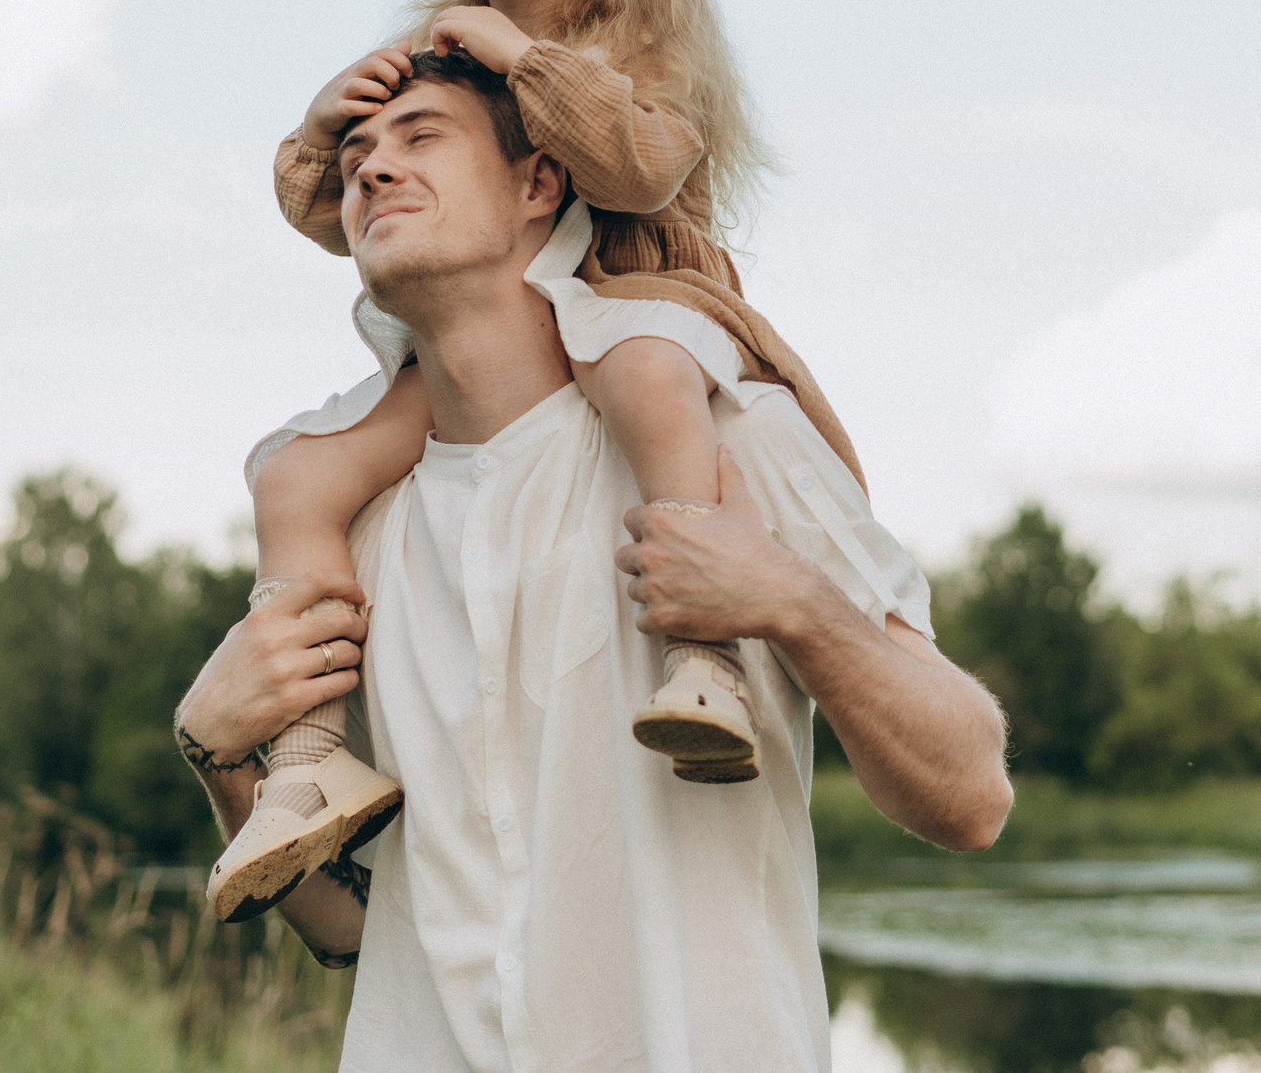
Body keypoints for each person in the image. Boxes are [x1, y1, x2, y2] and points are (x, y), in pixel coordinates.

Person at [176, 52, 1010, 1070]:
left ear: (539, 185)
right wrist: (222, 759)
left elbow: (970, 795)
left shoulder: (728, 442)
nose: (371, 171)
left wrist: (790, 602)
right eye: (354, 155)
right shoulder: (358, 537)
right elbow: (347, 928)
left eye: (420, 136)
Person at [210, 0, 870, 920]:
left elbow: (640, 169)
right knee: (296, 472)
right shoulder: (426, 53)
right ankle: (311, 757)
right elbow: (342, 218)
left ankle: (701, 663)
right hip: (487, 355)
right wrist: (325, 128)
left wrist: (525, 62)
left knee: (653, 377)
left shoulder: (630, 50)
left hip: (624, 313)